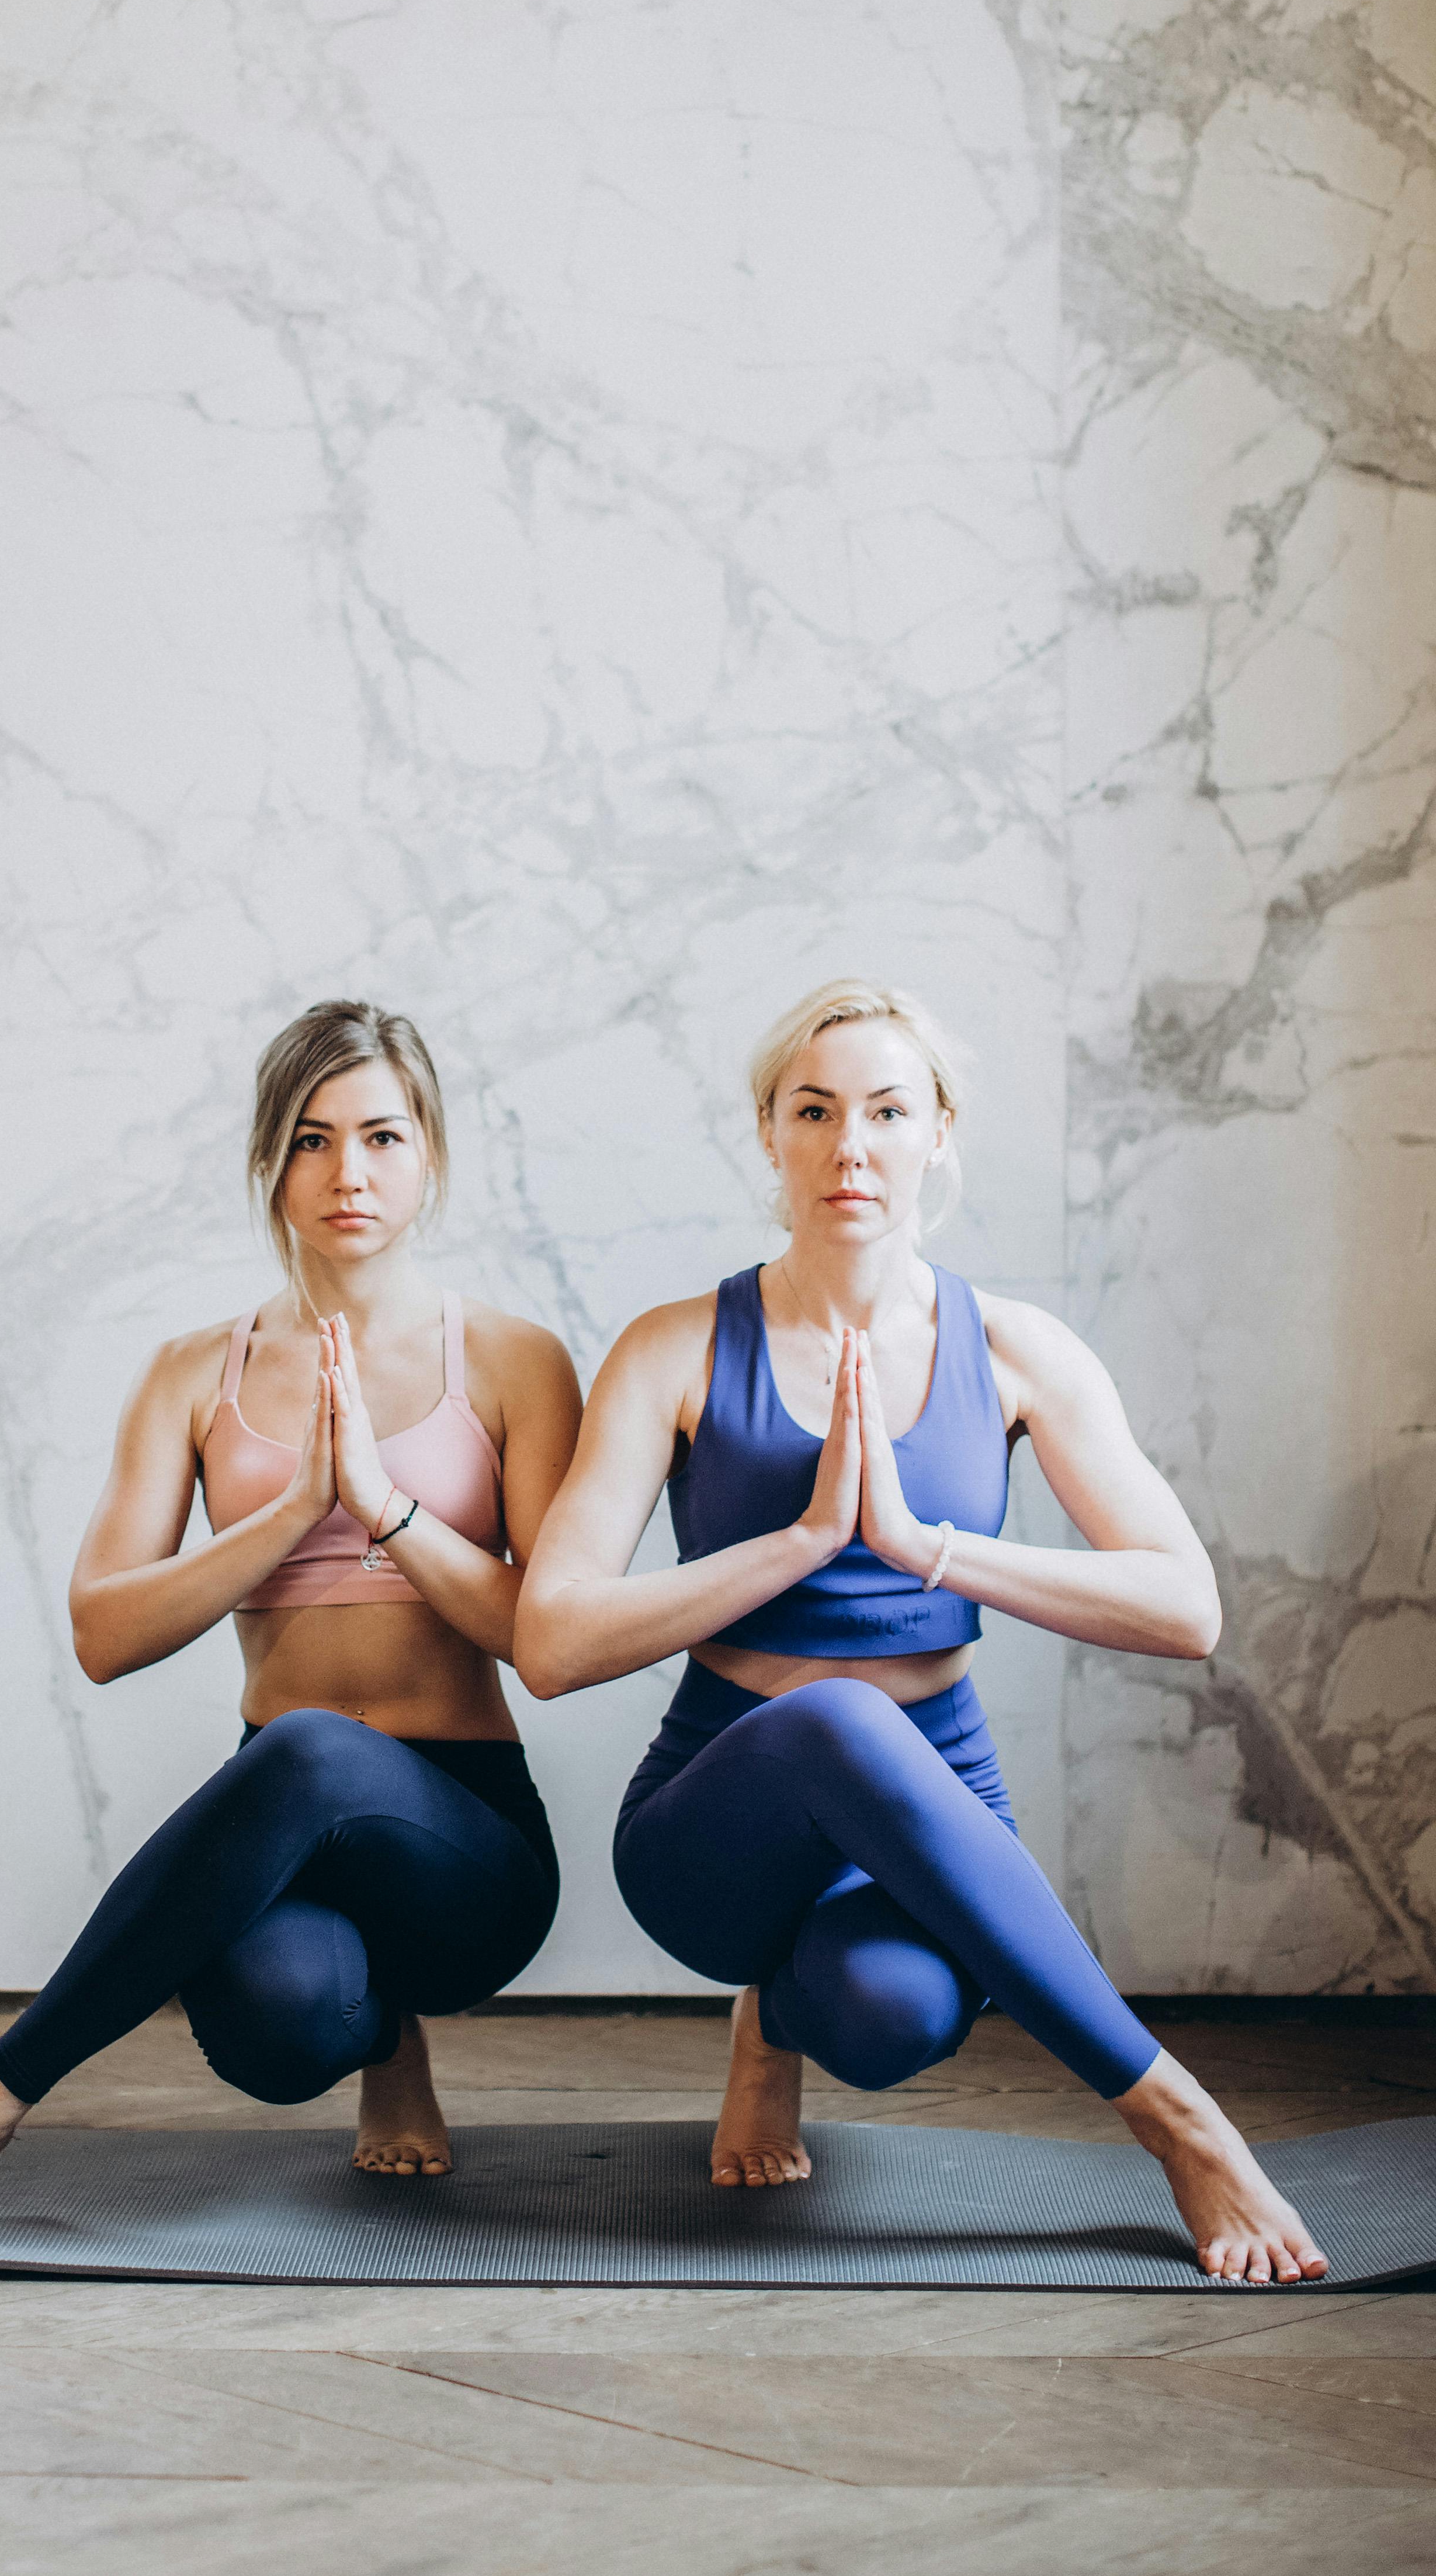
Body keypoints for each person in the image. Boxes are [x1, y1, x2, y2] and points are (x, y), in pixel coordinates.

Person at [514, 977, 1325, 2286]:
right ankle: (1179, 2120)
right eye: (815, 1110)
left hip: (933, 1797)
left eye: (888, 1111)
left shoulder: (1015, 1350)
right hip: (713, 1821)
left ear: (938, 1132)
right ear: (769, 1134)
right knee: (834, 1713)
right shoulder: (672, 1349)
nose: (851, 1146)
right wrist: (795, 1544)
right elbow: (550, 1642)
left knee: (893, 2019)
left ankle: (777, 2019)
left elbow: (1189, 1605)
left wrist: (925, 1548)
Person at [0, 999, 581, 2241]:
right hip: (273, 1814)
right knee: (277, 2028)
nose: (349, 1173)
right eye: (313, 1139)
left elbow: (550, 1640)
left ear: (430, 1154)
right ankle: (381, 2036)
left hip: (466, 1842)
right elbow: (104, 1633)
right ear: (270, 1162)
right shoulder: (190, 1374)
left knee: (319, 1749)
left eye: (382, 1137)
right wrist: (286, 1518)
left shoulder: (511, 1360)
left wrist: (381, 1509)